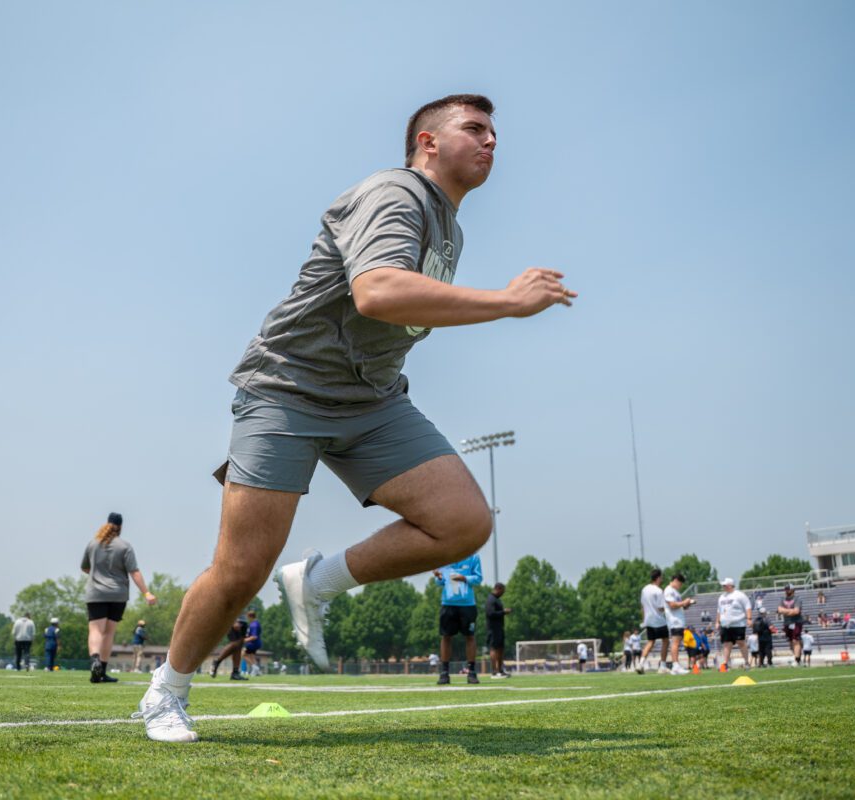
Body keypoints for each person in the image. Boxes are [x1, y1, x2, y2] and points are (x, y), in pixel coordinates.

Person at [132, 94, 576, 743]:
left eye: (495, 132)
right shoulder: (394, 192)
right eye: (475, 129)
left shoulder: (449, 227)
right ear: (427, 141)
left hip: (373, 400)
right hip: (288, 389)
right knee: (239, 570)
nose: (492, 141)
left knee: (463, 522)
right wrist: (507, 301)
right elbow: (378, 292)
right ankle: (165, 692)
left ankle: (316, 582)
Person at [81, 512, 158, 683]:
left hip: (96, 593)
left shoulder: (93, 544)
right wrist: (147, 592)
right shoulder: (124, 546)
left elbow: (85, 568)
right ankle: (102, 670)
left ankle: (95, 661)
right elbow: (134, 572)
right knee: (108, 633)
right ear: (121, 527)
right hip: (117, 594)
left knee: (95, 630)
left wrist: (97, 574)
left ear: (106, 524)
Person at [434, 553, 483, 685]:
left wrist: (464, 578)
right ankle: (444, 673)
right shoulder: (444, 556)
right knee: (446, 636)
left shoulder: (473, 557)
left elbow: (478, 578)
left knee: (470, 636)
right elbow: (440, 582)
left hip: (467, 604)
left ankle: (471, 672)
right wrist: (438, 577)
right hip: (448, 604)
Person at [636, 569, 669, 674]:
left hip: (648, 620)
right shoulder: (659, 591)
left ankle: (640, 664)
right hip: (658, 620)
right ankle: (662, 666)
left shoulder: (644, 589)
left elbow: (642, 606)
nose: (662, 579)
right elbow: (660, 608)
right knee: (666, 640)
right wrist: (668, 607)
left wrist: (644, 619)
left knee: (650, 642)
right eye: (661, 577)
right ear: (658, 578)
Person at [715, 578, 752, 670]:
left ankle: (747, 663)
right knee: (727, 644)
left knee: (741, 642)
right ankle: (725, 664)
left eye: (725, 585)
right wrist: (717, 621)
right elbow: (719, 611)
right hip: (725, 624)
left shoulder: (740, 595)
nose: (723, 587)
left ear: (730, 585)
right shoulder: (722, 597)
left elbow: (748, 607)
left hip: (738, 623)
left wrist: (749, 618)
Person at [663, 573, 695, 675]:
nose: (680, 586)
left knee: (677, 642)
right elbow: (672, 605)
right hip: (674, 620)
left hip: (678, 619)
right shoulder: (668, 590)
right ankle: (675, 665)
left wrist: (687, 604)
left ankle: (675, 666)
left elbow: (679, 606)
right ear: (676, 580)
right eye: (680, 584)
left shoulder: (675, 592)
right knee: (675, 642)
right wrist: (683, 602)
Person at [484, 582, 511, 678]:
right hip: (493, 628)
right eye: (502, 591)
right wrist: (503, 612)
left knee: (500, 648)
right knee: (494, 648)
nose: (503, 593)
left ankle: (500, 670)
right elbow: (490, 613)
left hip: (499, 628)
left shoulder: (497, 600)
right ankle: (494, 671)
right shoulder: (490, 599)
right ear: (498, 589)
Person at [778, 584, 804, 666]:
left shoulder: (797, 598)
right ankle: (798, 657)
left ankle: (796, 660)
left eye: (788, 589)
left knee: (795, 640)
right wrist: (790, 611)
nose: (787, 591)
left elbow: (796, 611)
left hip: (796, 622)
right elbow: (779, 610)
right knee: (790, 641)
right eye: (786, 589)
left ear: (793, 590)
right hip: (787, 623)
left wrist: (785, 611)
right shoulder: (782, 599)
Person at [242, 609, 262, 677]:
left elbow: (254, 636)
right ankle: (257, 671)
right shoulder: (255, 623)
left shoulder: (254, 625)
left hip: (253, 643)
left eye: (247, 617)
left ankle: (254, 667)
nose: (247, 618)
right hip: (254, 643)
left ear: (250, 617)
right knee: (252, 656)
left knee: (243, 654)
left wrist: (244, 640)